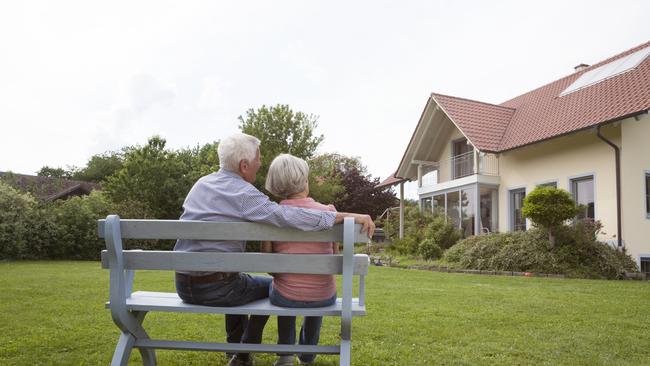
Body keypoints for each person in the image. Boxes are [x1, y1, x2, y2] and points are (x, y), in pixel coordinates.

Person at [173, 133, 375, 366]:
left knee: (240, 280)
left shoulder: (201, 184)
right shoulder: (244, 194)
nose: (260, 164)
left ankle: (236, 349)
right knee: (270, 287)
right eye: (258, 159)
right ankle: (241, 354)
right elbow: (288, 215)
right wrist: (350, 216)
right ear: (244, 165)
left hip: (184, 285)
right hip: (219, 288)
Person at [261, 154, 340, 366]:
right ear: (305, 181)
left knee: (282, 290)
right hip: (324, 295)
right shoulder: (329, 213)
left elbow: (268, 265)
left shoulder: (273, 215)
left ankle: (286, 355)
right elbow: (333, 257)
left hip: (286, 296)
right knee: (316, 296)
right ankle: (307, 355)